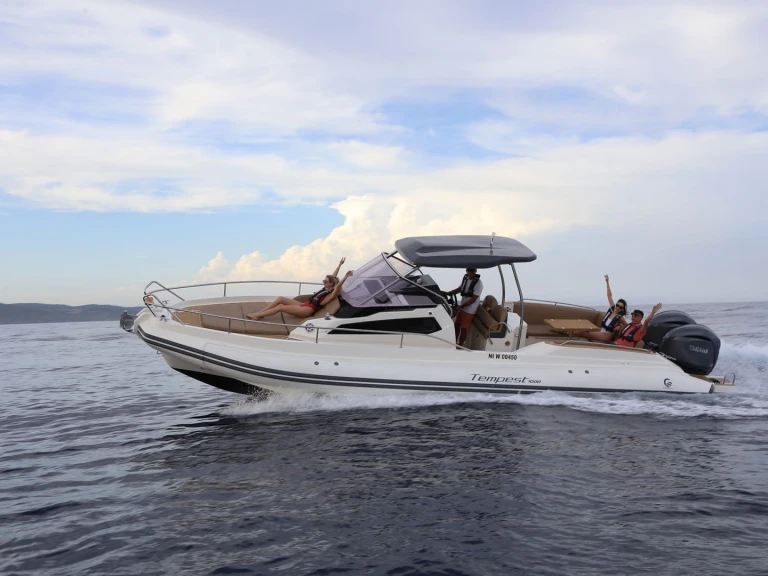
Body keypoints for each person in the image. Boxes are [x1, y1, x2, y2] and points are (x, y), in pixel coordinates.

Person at [246, 258, 351, 321]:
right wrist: (339, 265)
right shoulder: (327, 287)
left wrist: (346, 277)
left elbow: (337, 287)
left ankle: (257, 315)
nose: (323, 282)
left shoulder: (330, 295)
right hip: (306, 304)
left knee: (280, 307)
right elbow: (333, 276)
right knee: (281, 299)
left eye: (325, 281)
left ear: (331, 284)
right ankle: (261, 313)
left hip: (307, 310)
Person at [573, 274, 628, 342]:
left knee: (583, 332)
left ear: (622, 309)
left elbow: (627, 326)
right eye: (617, 305)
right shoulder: (612, 309)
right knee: (581, 328)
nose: (618, 307)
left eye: (620, 307)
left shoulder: (620, 318)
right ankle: (567, 334)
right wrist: (607, 282)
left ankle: (569, 341)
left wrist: (620, 327)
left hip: (607, 335)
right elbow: (609, 295)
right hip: (601, 330)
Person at [446, 267, 484, 347]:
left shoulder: (478, 283)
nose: (470, 272)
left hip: (470, 308)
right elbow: (460, 289)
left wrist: (462, 306)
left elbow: (474, 299)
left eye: (472, 271)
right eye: (469, 270)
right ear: (466, 271)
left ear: (475, 271)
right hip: (462, 305)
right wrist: (450, 293)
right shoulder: (465, 278)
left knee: (464, 327)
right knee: (457, 324)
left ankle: (460, 345)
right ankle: (454, 343)